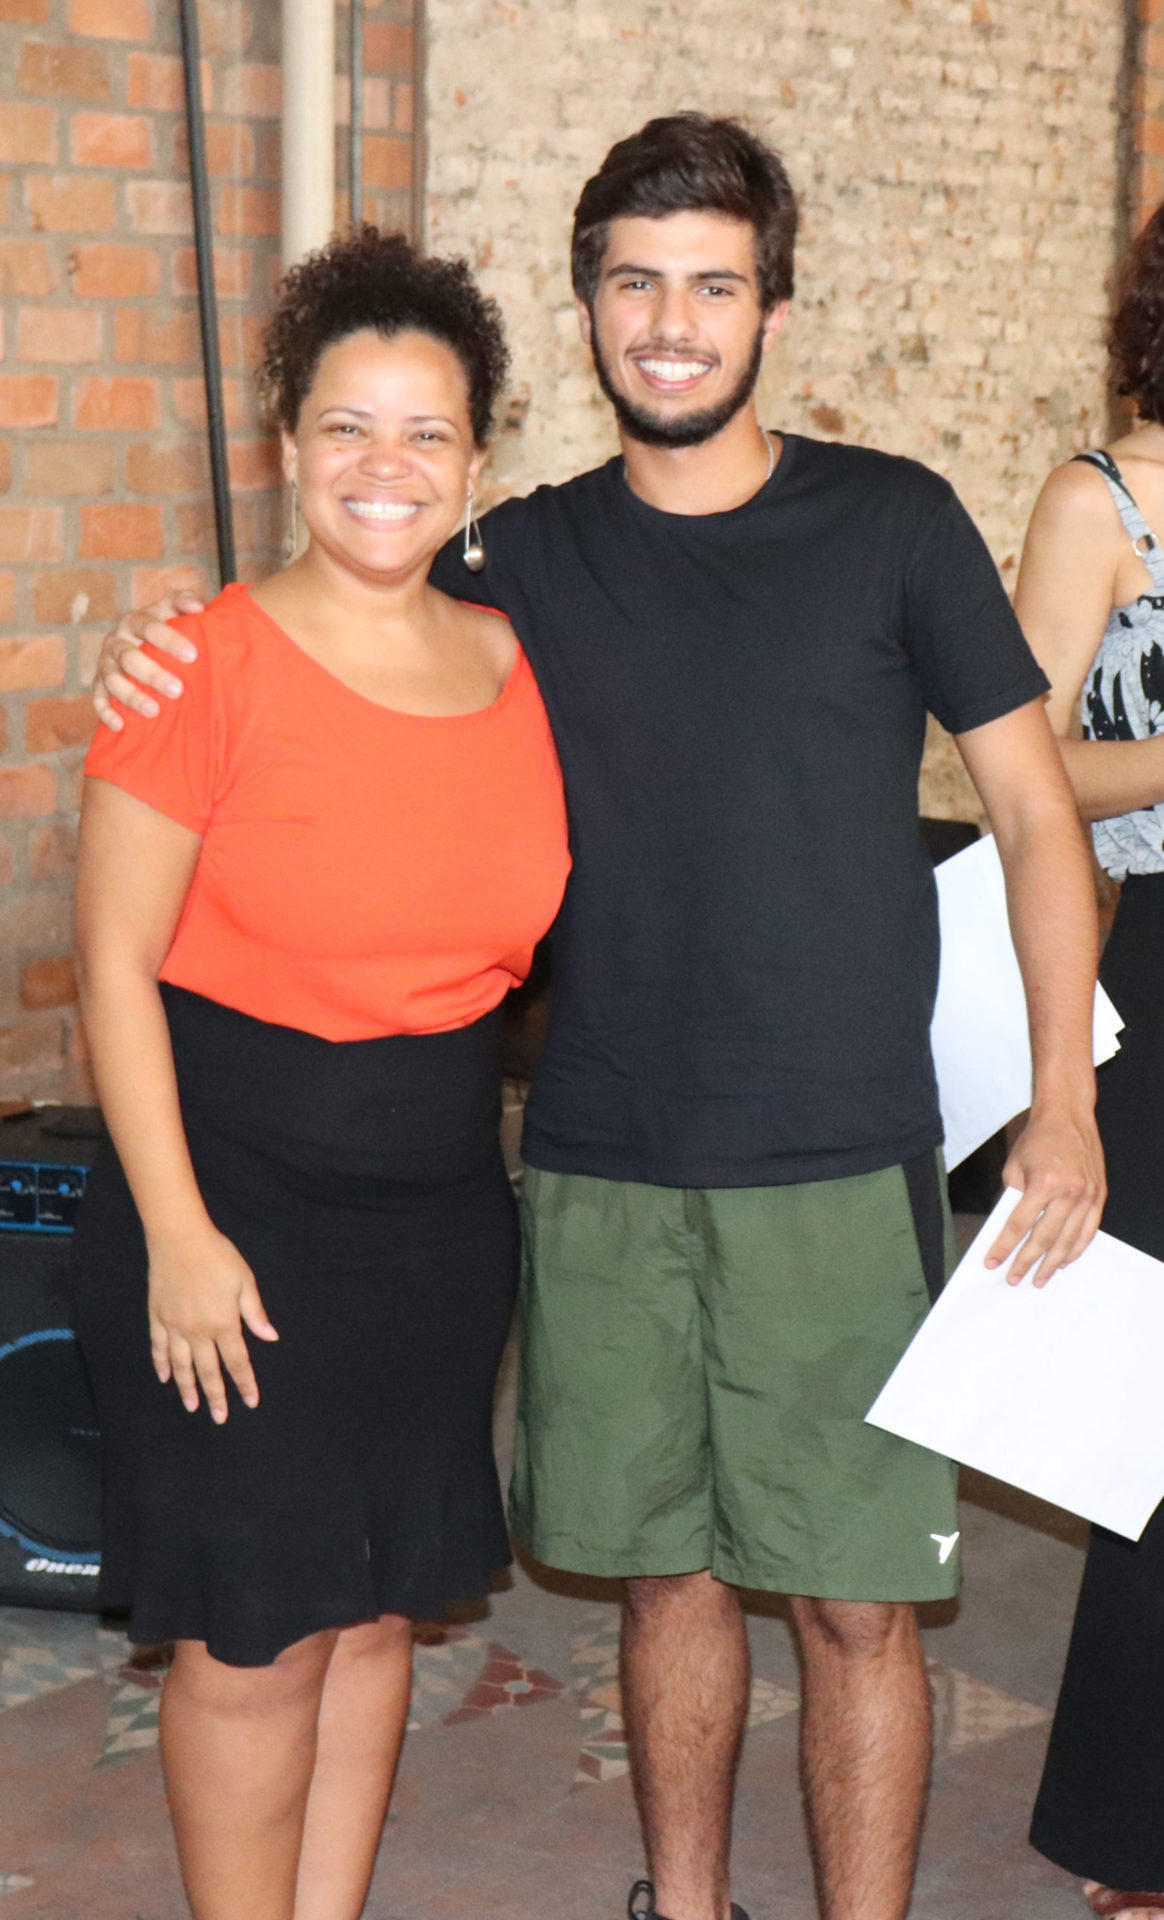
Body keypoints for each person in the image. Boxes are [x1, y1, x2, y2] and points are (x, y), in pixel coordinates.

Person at [92, 116, 1104, 1920]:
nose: (673, 322)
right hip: (593, 1168)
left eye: (714, 286)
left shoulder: (896, 525)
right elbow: (335, 626)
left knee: (860, 1604)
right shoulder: (519, 566)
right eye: (637, 283)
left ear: (773, 311)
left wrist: (1062, 1098)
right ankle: (681, 1907)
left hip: (833, 1165)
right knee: (659, 1581)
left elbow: (1036, 815)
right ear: (586, 315)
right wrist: (155, 643)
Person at [72, 227, 569, 1920]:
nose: (385, 466)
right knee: (255, 1639)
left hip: (436, 1218)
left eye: (427, 433)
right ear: (288, 447)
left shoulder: (517, 667)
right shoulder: (196, 666)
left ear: (478, 464)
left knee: (376, 1617)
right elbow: (112, 972)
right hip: (228, 1205)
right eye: (347, 427)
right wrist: (179, 1235)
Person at [1014, 204, 1164, 1920]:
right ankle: (1138, 1835)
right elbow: (1021, 760)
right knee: (1162, 1427)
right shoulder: (1098, 502)